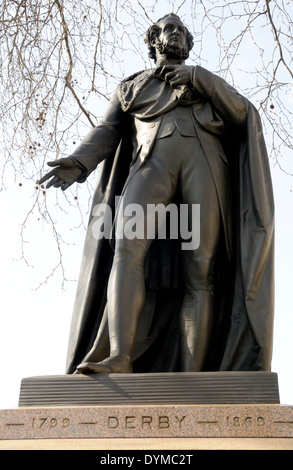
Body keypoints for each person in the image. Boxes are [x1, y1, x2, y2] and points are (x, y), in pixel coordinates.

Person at [39, 14, 274, 375]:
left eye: (182, 30)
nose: (176, 33)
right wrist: (79, 162)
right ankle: (119, 356)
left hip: (206, 166)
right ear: (154, 41)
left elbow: (244, 114)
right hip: (150, 166)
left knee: (203, 270)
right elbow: (108, 128)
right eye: (169, 29)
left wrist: (200, 78)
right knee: (126, 251)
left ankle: (194, 373)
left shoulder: (206, 83)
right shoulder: (132, 87)